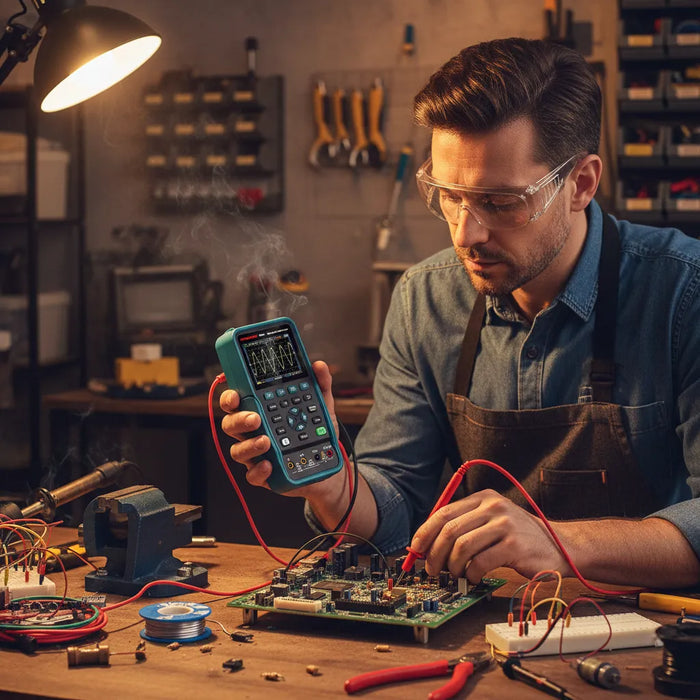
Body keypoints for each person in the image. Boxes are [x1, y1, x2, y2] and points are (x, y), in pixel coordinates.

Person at [221, 37, 700, 589]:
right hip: (485, 636)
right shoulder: (425, 299)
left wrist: (556, 541)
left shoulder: (682, 295)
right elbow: (394, 509)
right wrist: (332, 484)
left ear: (581, 184)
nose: (466, 234)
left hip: (652, 640)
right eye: (449, 195)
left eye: (500, 202)